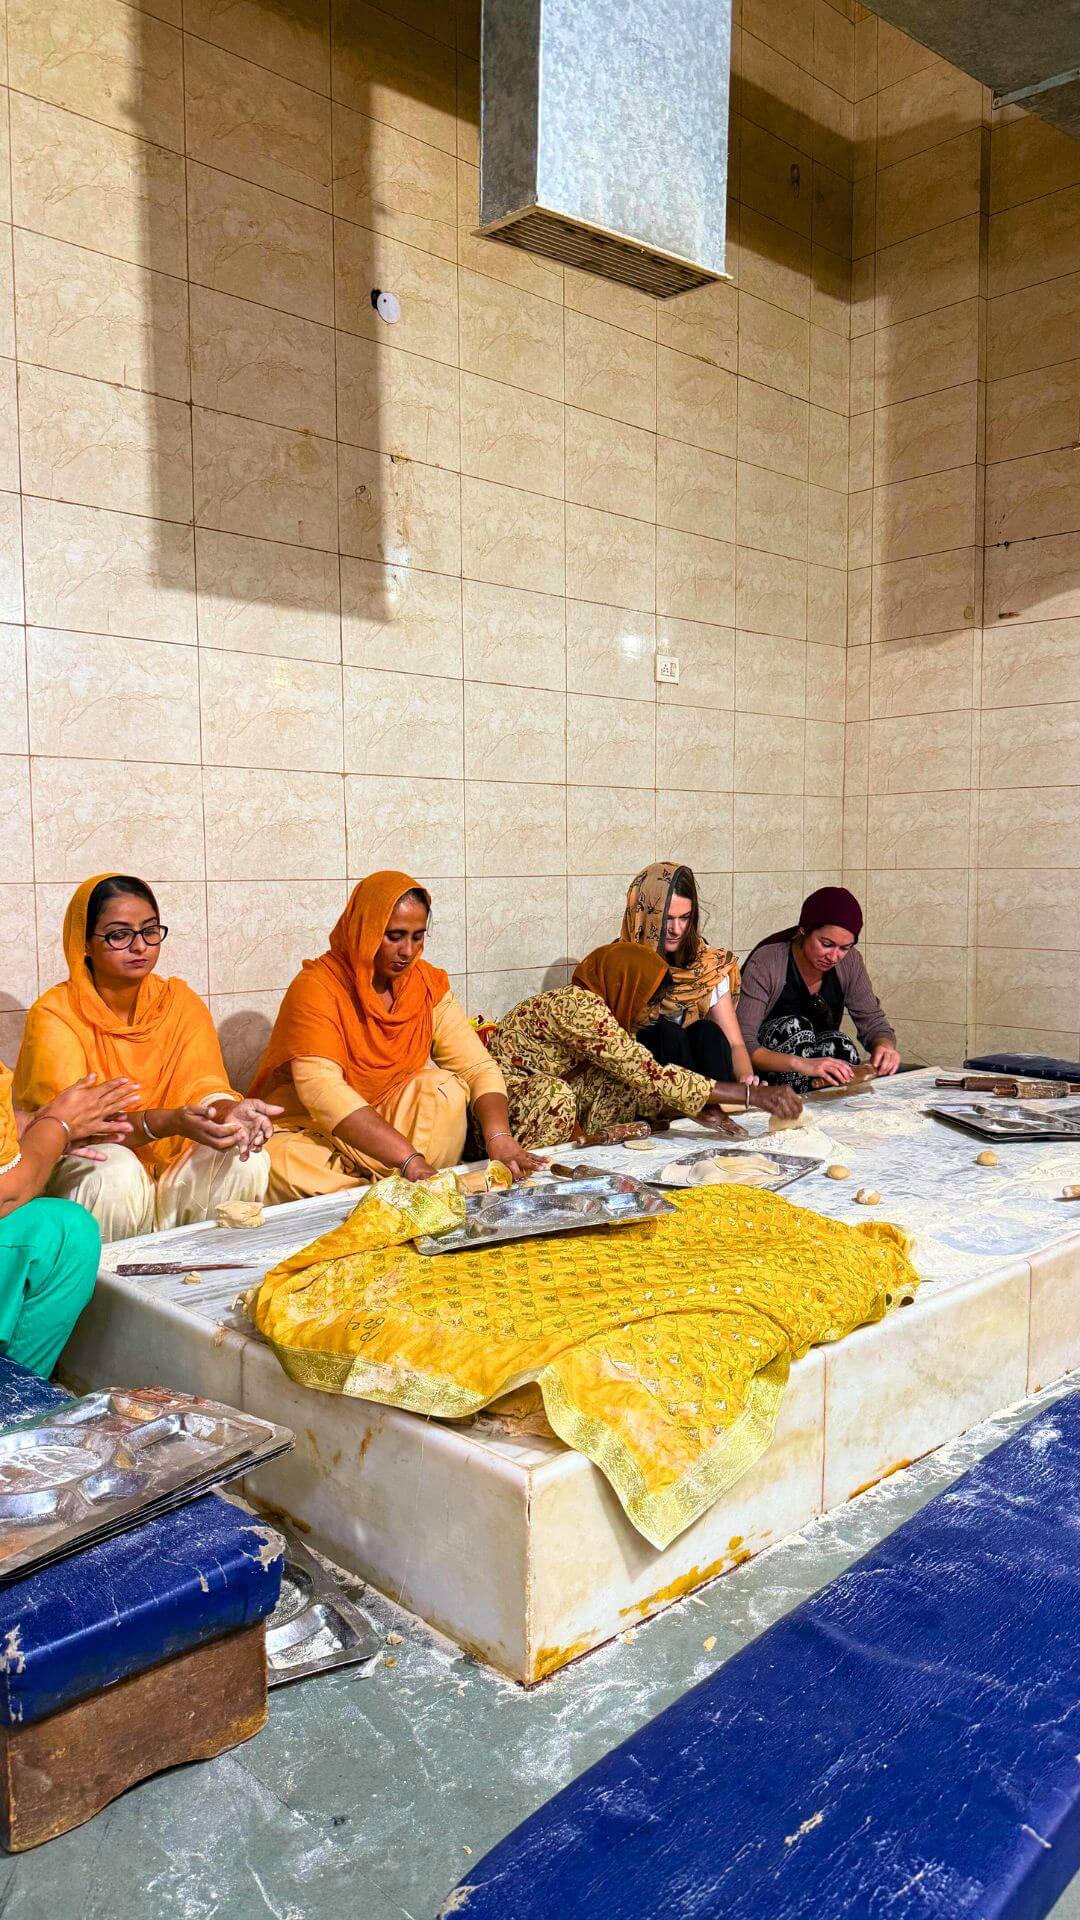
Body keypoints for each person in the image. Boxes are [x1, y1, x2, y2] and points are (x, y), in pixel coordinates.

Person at [15, 874, 278, 1242]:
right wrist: (164, 1122)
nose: (140, 946)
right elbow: (75, 1126)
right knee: (114, 1170)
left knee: (243, 1154)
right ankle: (103, 1295)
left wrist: (226, 1112)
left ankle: (195, 1279)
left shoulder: (178, 1002)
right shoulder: (56, 1014)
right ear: (85, 944)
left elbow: (204, 1084)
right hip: (93, 1167)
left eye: (150, 931)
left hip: (173, 1166)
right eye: (119, 935)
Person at [250, 871, 540, 1199]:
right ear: (365, 929)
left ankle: (398, 1190)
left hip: (390, 1126)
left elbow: (477, 1068)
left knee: (442, 1088)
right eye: (394, 936)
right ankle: (399, 1191)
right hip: (319, 1131)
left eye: (417, 937)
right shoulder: (317, 987)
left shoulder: (426, 985)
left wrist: (498, 1136)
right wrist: (410, 1160)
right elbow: (322, 1091)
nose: (407, 951)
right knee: (275, 1159)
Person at [487, 940, 801, 1149]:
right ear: (626, 987)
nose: (653, 1015)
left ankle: (587, 1152)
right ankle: (543, 1177)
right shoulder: (578, 1006)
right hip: (509, 1112)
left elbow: (639, 1081)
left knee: (623, 1084)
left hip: (541, 1100)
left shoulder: (610, 1015)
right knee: (556, 1096)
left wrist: (691, 1108)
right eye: (649, 1003)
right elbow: (649, 1073)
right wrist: (752, 1094)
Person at [0, 1058, 135, 1374]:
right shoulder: (56, 1014)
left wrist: (30, 1124)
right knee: (67, 1234)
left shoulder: (180, 1012)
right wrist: (57, 1126)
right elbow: (6, 1192)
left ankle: (18, 1386)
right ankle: (14, 1403)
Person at [738, 887, 901, 1092]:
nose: (833, 957)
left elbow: (874, 1023)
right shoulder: (767, 962)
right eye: (826, 944)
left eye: (844, 948)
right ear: (803, 930)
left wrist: (884, 1047)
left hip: (815, 1064)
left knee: (841, 1046)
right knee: (797, 1027)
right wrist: (802, 1064)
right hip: (764, 1071)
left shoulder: (850, 962)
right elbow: (742, 1043)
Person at [620, 863, 755, 1084]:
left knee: (707, 1032)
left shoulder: (706, 966)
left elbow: (735, 1044)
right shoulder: (619, 965)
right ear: (644, 916)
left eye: (685, 918)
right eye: (667, 919)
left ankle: (720, 1110)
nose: (677, 929)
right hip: (644, 1084)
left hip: (703, 1082)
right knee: (667, 1035)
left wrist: (747, 1080)